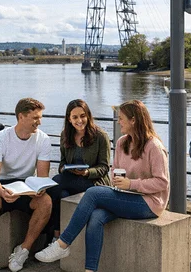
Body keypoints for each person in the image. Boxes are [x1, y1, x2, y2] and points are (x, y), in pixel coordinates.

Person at [35, 99, 169, 272]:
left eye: (121, 118)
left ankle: (62, 243)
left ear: (133, 120)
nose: (118, 121)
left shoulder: (154, 146)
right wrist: (119, 180)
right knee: (96, 217)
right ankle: (90, 269)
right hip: (126, 195)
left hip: (149, 203)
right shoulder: (122, 142)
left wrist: (131, 183)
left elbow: (162, 182)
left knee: (93, 193)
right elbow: (114, 170)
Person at [0, 98, 52, 272]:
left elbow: (42, 177)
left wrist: (39, 189)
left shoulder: (43, 139)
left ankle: (23, 250)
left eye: (40, 117)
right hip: (2, 186)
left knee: (46, 202)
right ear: (21, 117)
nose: (39, 122)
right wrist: (2, 191)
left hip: (27, 186)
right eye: (35, 118)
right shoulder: (1, 139)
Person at [46, 99, 111, 240]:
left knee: (55, 182)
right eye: (75, 117)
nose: (79, 120)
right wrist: (65, 168)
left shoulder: (101, 136)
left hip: (94, 182)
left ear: (88, 116)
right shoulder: (65, 135)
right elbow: (62, 162)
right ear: (69, 119)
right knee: (61, 194)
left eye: (82, 116)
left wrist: (87, 172)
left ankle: (53, 235)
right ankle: (57, 235)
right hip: (71, 180)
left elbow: (105, 167)